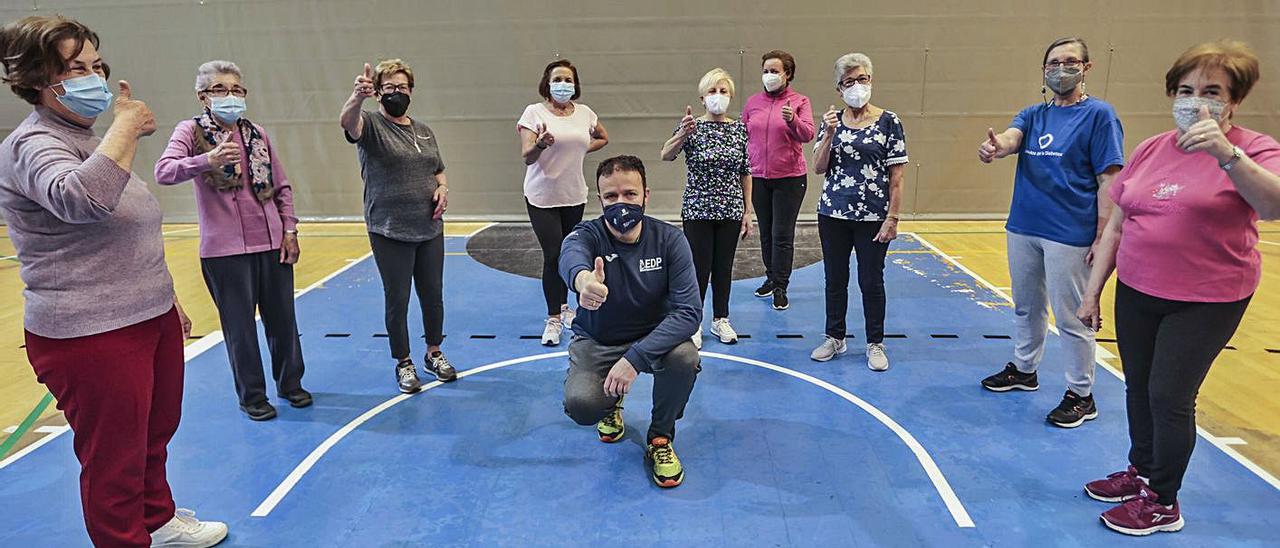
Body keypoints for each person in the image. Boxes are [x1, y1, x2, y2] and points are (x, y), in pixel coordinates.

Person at [0, 15, 226, 547]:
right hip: (89, 333)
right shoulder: (31, 145)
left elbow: (133, 231)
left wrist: (168, 302)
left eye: (96, 66)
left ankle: (158, 521)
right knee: (113, 459)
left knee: (153, 434)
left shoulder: (88, 139)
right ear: (36, 78)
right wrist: (126, 126)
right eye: (74, 68)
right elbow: (83, 201)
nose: (93, 78)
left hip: (147, 317)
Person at [1076, 40, 1280, 536]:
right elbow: (1117, 226)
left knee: (1169, 396)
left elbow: (1273, 206)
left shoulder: (1254, 149)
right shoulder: (1151, 149)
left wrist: (1226, 155)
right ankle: (1141, 470)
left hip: (1207, 298)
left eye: (1212, 91)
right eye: (1186, 90)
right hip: (1140, 290)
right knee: (1138, 388)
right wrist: (1091, 292)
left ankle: (1163, 501)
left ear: (1234, 101)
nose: (1196, 100)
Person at [976, 37, 1125, 428]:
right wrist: (997, 148)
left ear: (1086, 68)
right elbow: (1012, 138)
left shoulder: (1100, 116)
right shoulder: (1032, 114)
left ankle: (1081, 394)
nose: (1061, 68)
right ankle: (1025, 370)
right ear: (1044, 71)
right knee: (1026, 305)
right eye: (1054, 63)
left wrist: (1100, 235)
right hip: (1024, 226)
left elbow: (1110, 179)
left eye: (1070, 61)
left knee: (1073, 316)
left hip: (1069, 233)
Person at [155, 60, 308, 421]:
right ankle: (253, 395)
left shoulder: (257, 134)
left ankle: (291, 384)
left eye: (237, 90)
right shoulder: (189, 131)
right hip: (225, 252)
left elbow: (282, 186)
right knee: (239, 328)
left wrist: (290, 229)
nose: (230, 96)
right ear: (203, 96)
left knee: (284, 321)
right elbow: (164, 171)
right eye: (220, 90)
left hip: (272, 245)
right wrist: (205, 160)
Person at [559, 155, 701, 488]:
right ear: (599, 199)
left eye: (630, 194)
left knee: (685, 357)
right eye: (611, 197)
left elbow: (690, 312)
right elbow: (570, 255)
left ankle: (660, 438)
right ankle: (609, 403)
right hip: (598, 339)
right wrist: (583, 283)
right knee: (582, 405)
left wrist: (634, 359)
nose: (621, 204)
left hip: (652, 339)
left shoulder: (669, 240)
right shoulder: (588, 235)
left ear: (646, 195)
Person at [340, 58, 457, 393]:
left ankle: (434, 353)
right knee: (398, 298)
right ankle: (403, 362)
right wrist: (356, 98)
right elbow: (348, 122)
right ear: (378, 93)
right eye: (389, 88)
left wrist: (443, 188)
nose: (396, 93)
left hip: (430, 227)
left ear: (411, 91)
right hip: (389, 229)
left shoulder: (424, 130)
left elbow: (438, 168)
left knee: (433, 295)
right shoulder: (371, 125)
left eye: (402, 88)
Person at [809, 53, 907, 371]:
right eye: (848, 82)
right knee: (834, 279)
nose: (856, 86)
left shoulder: (889, 121)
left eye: (862, 79)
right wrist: (828, 134)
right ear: (839, 89)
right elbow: (819, 167)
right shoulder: (832, 121)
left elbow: (897, 177)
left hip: (873, 217)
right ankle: (834, 336)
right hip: (833, 214)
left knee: (871, 280)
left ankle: (875, 343)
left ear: (871, 81)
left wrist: (893, 218)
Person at [518, 59, 610, 346]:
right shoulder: (533, 113)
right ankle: (553, 318)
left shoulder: (584, 113)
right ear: (547, 83)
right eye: (558, 79)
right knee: (553, 256)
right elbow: (527, 156)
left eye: (568, 79)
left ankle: (567, 307)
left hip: (573, 195)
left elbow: (603, 138)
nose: (563, 84)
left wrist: (582, 147)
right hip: (542, 196)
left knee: (570, 253)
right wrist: (542, 144)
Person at [660, 67, 752, 348]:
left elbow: (746, 171)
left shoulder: (739, 129)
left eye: (723, 91)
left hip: (730, 210)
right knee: (698, 268)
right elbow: (666, 154)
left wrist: (748, 211)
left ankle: (721, 318)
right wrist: (682, 135)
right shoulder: (691, 127)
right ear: (702, 98)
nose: (718, 96)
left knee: (723, 268)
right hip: (698, 209)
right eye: (712, 91)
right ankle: (694, 321)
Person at [742, 49, 815, 311]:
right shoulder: (752, 103)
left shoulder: (800, 101)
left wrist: (793, 120)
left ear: (788, 74)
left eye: (775, 71)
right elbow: (743, 136)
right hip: (759, 177)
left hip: (790, 179)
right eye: (766, 71)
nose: (769, 75)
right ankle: (771, 277)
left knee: (782, 234)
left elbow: (808, 134)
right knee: (766, 233)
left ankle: (782, 286)